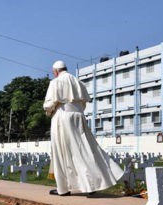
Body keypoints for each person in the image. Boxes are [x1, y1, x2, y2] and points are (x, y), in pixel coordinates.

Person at [43, 60, 123, 196]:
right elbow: (84, 102)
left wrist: (49, 111)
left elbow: (49, 104)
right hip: (78, 117)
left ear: (56, 71)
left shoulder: (55, 82)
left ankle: (63, 189)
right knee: (85, 149)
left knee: (61, 152)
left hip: (62, 117)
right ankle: (91, 185)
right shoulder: (78, 82)